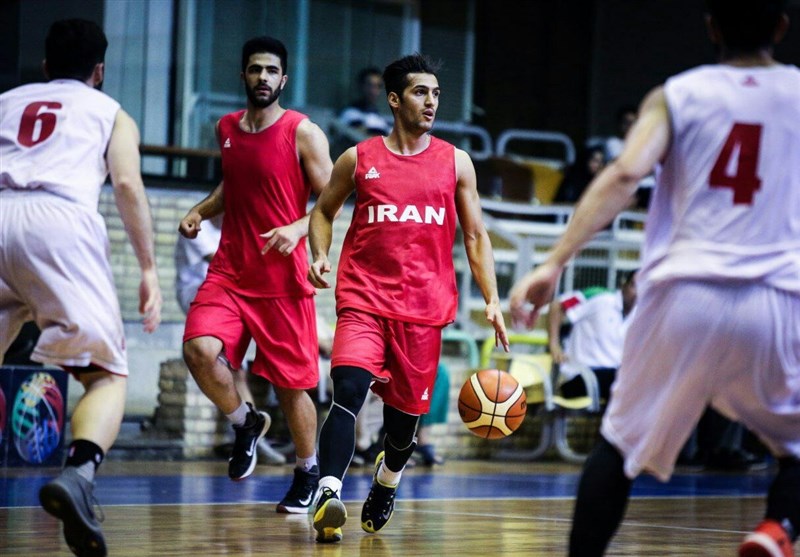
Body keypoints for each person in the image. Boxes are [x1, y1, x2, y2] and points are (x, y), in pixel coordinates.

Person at [509, 2, 800, 555]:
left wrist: (554, 261)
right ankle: (778, 527)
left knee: (618, 448)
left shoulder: (678, 94)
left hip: (683, 293)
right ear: (782, 28)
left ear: (712, 25)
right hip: (778, 297)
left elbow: (624, 174)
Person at [307, 53, 510, 544]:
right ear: (395, 100)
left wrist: (493, 299)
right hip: (363, 301)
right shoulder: (358, 159)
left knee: (401, 431)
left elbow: (476, 236)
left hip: (423, 311)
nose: (431, 102)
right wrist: (318, 253)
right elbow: (323, 212)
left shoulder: (455, 162)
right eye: (422, 92)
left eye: (437, 94)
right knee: (348, 390)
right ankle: (328, 493)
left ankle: (388, 478)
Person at [0, 18, 163, 557]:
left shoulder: (8, 99)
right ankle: (79, 474)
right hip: (58, 223)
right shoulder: (109, 111)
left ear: (45, 66)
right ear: (99, 71)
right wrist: (146, 268)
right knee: (106, 374)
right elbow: (126, 184)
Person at [178, 36, 333, 514]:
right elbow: (232, 184)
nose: (263, 77)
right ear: (243, 76)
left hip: (281, 281)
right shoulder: (227, 127)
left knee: (293, 387)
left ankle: (307, 470)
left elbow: (332, 200)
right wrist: (201, 210)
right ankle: (245, 422)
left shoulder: (302, 132)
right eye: (255, 70)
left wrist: (295, 227)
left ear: (283, 80)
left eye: (271, 71)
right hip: (229, 269)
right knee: (199, 350)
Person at [174, 214, 286, 465]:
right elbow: (225, 263)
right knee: (220, 362)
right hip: (202, 294)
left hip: (232, 296)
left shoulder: (237, 227)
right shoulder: (197, 227)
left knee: (236, 369)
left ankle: (248, 431)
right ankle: (247, 430)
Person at [548, 271, 637, 402]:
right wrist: (554, 345)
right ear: (624, 285)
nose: (638, 293)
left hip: (613, 378)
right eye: (634, 286)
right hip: (579, 376)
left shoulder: (640, 317)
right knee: (623, 383)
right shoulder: (599, 297)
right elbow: (558, 306)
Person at [337, 67, 391, 138]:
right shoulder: (349, 113)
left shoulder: (381, 121)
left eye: (378, 86)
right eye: (369, 85)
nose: (373, 91)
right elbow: (361, 137)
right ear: (361, 86)